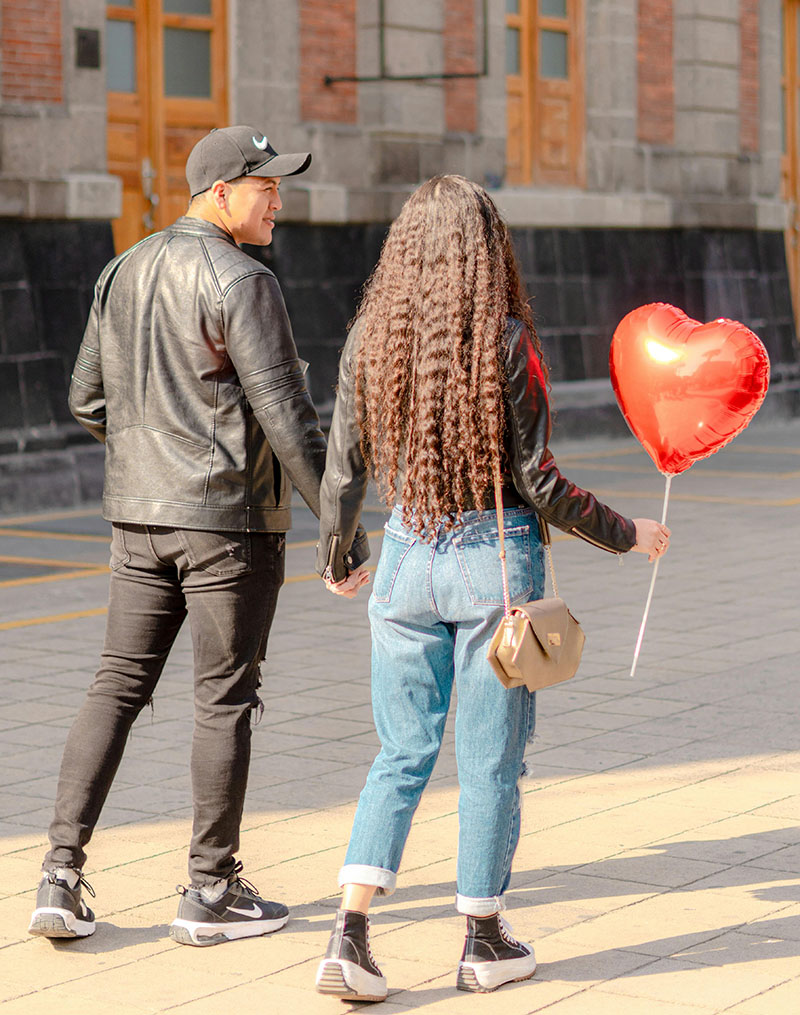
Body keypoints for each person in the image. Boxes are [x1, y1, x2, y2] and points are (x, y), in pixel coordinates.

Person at [313, 175, 671, 1000]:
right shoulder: (507, 341)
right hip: (492, 564)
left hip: (404, 555)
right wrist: (629, 534)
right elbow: (538, 482)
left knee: (400, 751)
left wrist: (338, 554)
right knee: (490, 759)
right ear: (488, 250)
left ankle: (350, 932)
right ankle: (482, 936)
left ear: (403, 251)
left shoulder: (372, 335)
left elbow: (342, 467)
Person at [28, 126, 367, 948]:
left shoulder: (122, 269)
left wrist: (150, 454)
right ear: (220, 192)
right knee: (225, 698)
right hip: (228, 524)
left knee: (116, 685)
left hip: (139, 518)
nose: (279, 201)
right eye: (265, 187)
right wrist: (342, 529)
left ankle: (59, 877)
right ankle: (210, 890)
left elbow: (84, 398)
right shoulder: (242, 279)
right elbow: (287, 413)